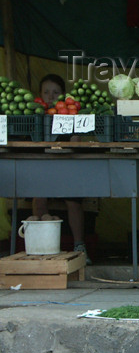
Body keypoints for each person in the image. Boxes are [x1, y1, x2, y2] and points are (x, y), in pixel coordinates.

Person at [33, 74, 91, 264]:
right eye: (46, 92)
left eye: (55, 92)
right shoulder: (36, 115)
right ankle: (40, 245)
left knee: (73, 200)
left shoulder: (70, 112)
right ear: (40, 95)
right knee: (38, 195)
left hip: (67, 164)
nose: (50, 96)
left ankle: (79, 245)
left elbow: (77, 142)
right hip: (43, 165)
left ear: (63, 95)